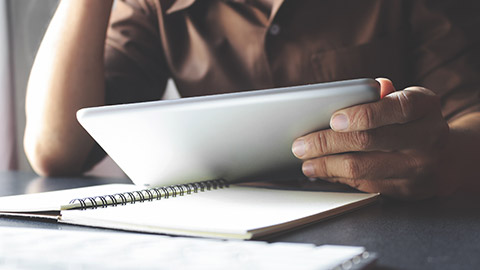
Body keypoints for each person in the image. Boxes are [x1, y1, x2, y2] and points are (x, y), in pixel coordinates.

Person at [24, 0, 480, 199]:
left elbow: (470, 115)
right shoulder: (154, 4)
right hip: (222, 239)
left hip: (388, 224)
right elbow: (56, 149)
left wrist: (447, 157)